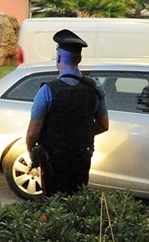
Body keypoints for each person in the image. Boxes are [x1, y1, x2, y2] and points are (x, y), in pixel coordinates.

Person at [25, 29, 109, 197]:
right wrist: (79, 133)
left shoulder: (47, 91)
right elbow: (104, 125)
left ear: (58, 58)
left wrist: (30, 149)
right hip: (82, 157)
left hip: (52, 160)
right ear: (79, 59)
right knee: (77, 199)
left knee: (54, 203)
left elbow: (33, 133)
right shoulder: (94, 87)